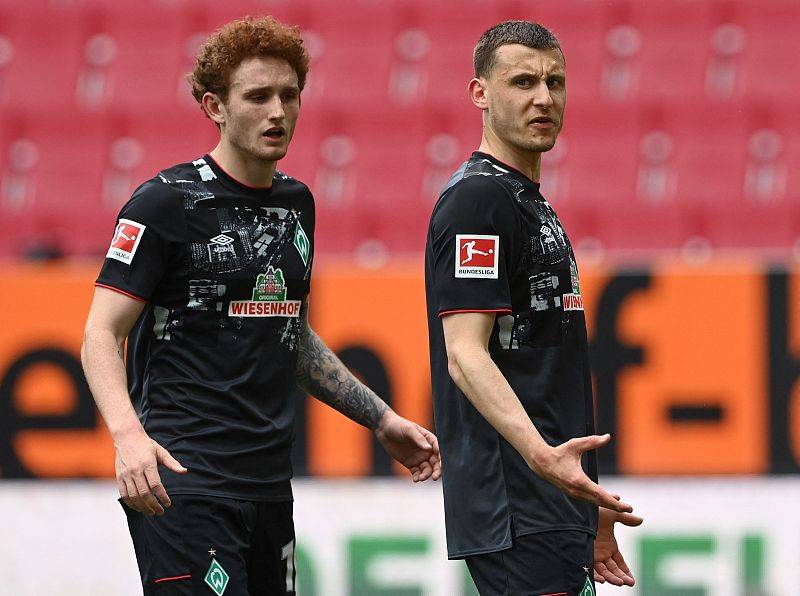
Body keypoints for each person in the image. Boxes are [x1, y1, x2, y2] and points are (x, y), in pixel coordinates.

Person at [81, 16, 440, 596]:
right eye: (257, 97)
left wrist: (381, 418)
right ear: (215, 106)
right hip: (183, 482)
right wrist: (127, 437)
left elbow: (289, 334)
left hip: (270, 486)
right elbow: (100, 333)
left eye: (289, 95)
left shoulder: (298, 204)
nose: (277, 111)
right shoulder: (164, 203)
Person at [424, 21, 642, 595]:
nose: (544, 98)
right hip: (517, 505)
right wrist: (543, 459)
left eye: (555, 82)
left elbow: (549, 369)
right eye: (523, 82)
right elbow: (464, 354)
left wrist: (590, 506)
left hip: (553, 504)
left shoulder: (526, 201)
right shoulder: (478, 199)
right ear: (480, 93)